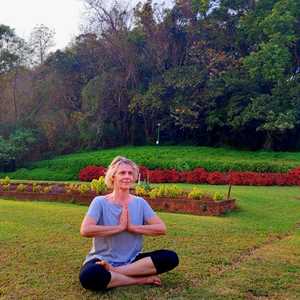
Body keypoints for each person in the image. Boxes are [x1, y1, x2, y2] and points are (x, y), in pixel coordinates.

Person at [79, 156, 179, 291]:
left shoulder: (140, 203)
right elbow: (85, 230)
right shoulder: (100, 202)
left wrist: (132, 227)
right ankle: (140, 279)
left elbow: (161, 228)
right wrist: (119, 228)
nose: (127, 176)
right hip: (102, 259)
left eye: (130, 173)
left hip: (133, 260)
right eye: (122, 173)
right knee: (90, 276)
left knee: (170, 257)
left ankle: (115, 272)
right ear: (113, 176)